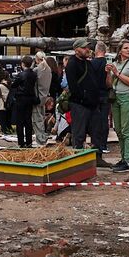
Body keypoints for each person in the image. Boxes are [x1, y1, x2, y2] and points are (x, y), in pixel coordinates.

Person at [65, 38, 110, 168]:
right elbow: (74, 87)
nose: (87, 50)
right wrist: (84, 98)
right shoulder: (72, 64)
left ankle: (98, 157)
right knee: (79, 134)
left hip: (92, 104)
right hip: (80, 104)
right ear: (76, 49)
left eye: (88, 47)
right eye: (84, 48)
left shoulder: (88, 63)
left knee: (97, 131)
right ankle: (78, 161)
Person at [108, 39, 129, 173]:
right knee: (118, 130)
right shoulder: (115, 63)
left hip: (128, 97)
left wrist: (117, 73)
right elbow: (109, 84)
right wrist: (107, 73)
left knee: (126, 130)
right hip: (116, 97)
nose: (128, 50)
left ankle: (128, 161)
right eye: (126, 48)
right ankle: (123, 158)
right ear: (120, 50)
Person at [10, 55, 39, 148]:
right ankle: (29, 141)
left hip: (21, 99)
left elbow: (14, 85)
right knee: (28, 120)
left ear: (22, 64)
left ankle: (21, 142)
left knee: (20, 121)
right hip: (30, 99)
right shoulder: (34, 74)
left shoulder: (21, 75)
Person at [90, 42, 111, 158]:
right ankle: (103, 144)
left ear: (96, 50)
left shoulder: (91, 64)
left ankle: (95, 143)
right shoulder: (108, 64)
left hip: (94, 95)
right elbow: (109, 84)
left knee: (94, 121)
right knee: (104, 120)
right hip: (105, 94)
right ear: (105, 51)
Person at [33, 51, 52, 145]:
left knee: (37, 119)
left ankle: (40, 139)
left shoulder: (37, 69)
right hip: (44, 96)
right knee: (42, 117)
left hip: (37, 96)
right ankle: (43, 136)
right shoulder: (48, 69)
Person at [45, 55, 63, 144]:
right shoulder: (57, 74)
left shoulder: (49, 74)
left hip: (50, 96)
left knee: (50, 114)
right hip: (56, 96)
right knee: (55, 114)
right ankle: (54, 128)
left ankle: (49, 129)